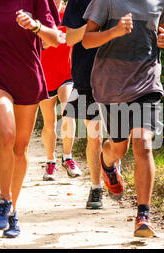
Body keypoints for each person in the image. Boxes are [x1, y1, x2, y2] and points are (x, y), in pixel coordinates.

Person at [0, 0, 62, 238]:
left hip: (28, 76)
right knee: (7, 134)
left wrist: (35, 26)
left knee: (20, 148)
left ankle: (12, 211)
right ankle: (4, 199)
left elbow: (55, 39)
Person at [82, 0, 164, 237]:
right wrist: (114, 31)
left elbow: (163, 30)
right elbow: (87, 39)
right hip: (113, 86)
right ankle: (108, 160)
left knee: (143, 143)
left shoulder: (161, 1)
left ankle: (144, 215)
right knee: (119, 150)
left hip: (147, 82)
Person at [62, 0, 107, 209]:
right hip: (87, 76)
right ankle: (97, 188)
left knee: (118, 138)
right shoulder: (78, 2)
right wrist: (94, 26)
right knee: (95, 136)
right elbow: (69, 38)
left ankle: (111, 165)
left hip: (120, 75)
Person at [39, 0, 82, 181]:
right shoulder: (40, 17)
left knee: (68, 111)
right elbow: (37, 45)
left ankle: (68, 158)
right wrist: (49, 41)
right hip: (44, 75)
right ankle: (50, 162)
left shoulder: (70, 14)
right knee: (49, 122)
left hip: (66, 73)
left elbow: (80, 37)